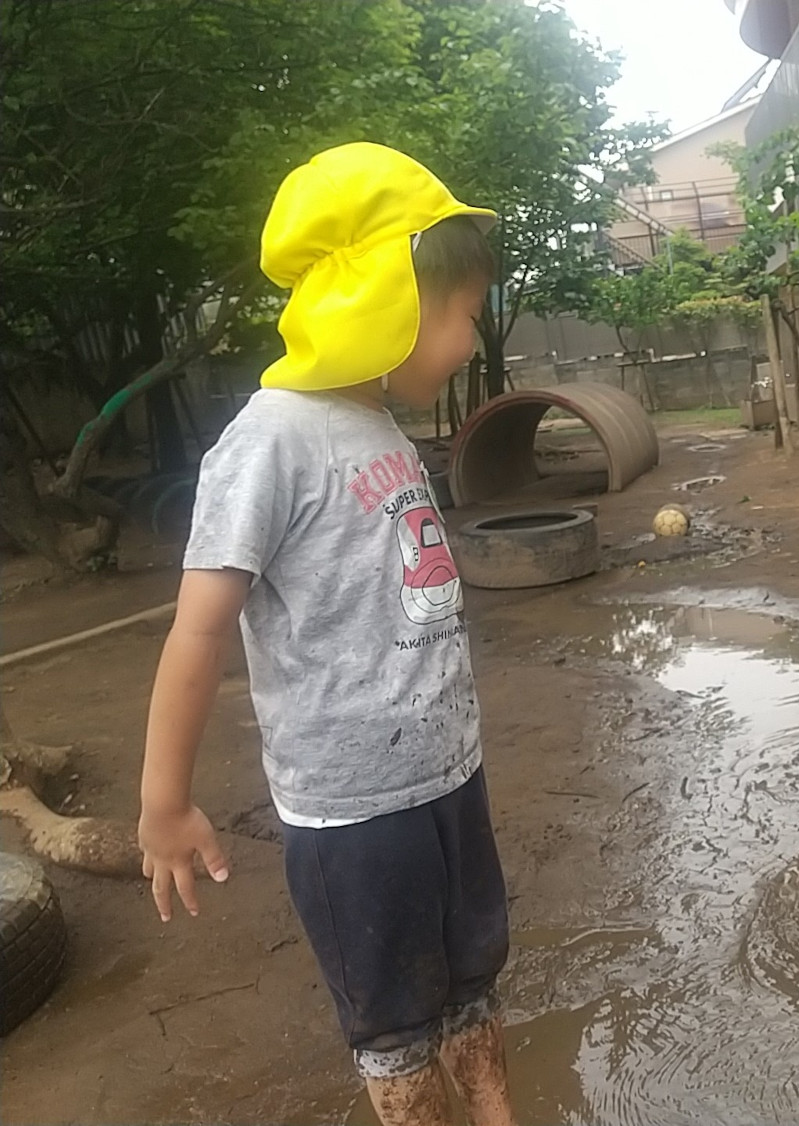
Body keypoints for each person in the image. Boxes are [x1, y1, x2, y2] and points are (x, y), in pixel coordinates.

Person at [137, 142, 516, 1126]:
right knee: (395, 1025)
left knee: (476, 977)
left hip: (447, 779)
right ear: (387, 298)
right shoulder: (268, 442)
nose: (473, 340)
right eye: (462, 313)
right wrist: (164, 801)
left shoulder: (380, 426)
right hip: (355, 819)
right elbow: (198, 631)